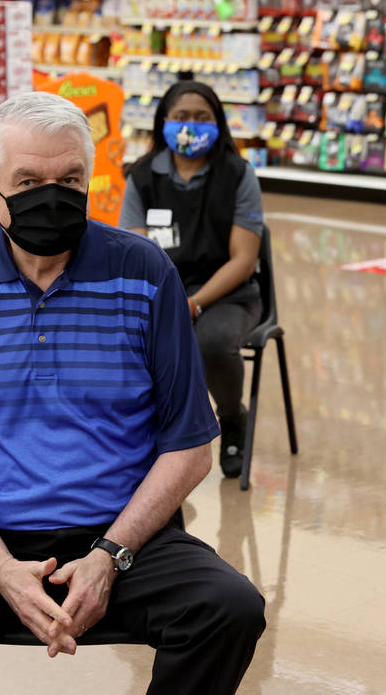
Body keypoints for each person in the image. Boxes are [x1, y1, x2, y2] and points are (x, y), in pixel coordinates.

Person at [0, 92, 266, 695]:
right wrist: (0, 570)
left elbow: (189, 449)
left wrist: (109, 556)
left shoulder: (146, 273)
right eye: (27, 180)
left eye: (70, 178)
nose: (51, 195)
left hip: (127, 536)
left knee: (230, 610)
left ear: (90, 178)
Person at [118, 81, 264, 478]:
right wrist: (171, 301)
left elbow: (244, 259)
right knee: (120, 340)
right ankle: (145, 443)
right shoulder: (143, 177)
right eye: (181, 118)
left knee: (212, 343)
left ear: (219, 123)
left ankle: (232, 417)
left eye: (203, 118)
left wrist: (195, 303)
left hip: (229, 296)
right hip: (162, 294)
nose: (191, 126)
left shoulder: (237, 175)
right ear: (163, 121)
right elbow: (135, 253)